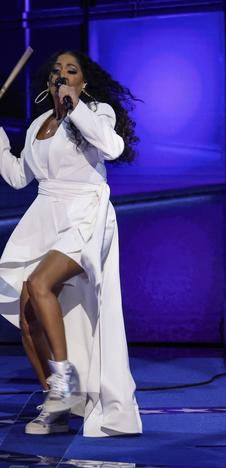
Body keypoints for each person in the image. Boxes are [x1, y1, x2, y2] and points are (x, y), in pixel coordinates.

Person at [0, 50, 142, 437]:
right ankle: (55, 400)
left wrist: (76, 106)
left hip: (84, 213)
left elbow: (112, 148)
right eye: (55, 71)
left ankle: (64, 382)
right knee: (26, 312)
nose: (60, 76)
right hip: (46, 214)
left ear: (83, 81)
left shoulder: (98, 113)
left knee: (38, 284)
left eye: (70, 71)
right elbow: (17, 177)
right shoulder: (37, 126)